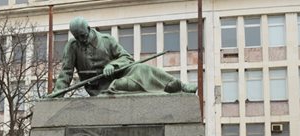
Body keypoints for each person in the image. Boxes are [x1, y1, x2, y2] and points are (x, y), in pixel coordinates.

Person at [52, 17, 197, 97]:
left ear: (89, 29)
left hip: (119, 75)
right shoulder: (72, 46)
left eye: (83, 36)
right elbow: (66, 72)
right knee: (125, 85)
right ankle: (167, 88)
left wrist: (113, 65)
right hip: (102, 88)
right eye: (78, 37)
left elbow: (127, 58)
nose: (81, 40)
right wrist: (57, 94)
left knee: (142, 68)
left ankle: (179, 86)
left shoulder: (106, 41)